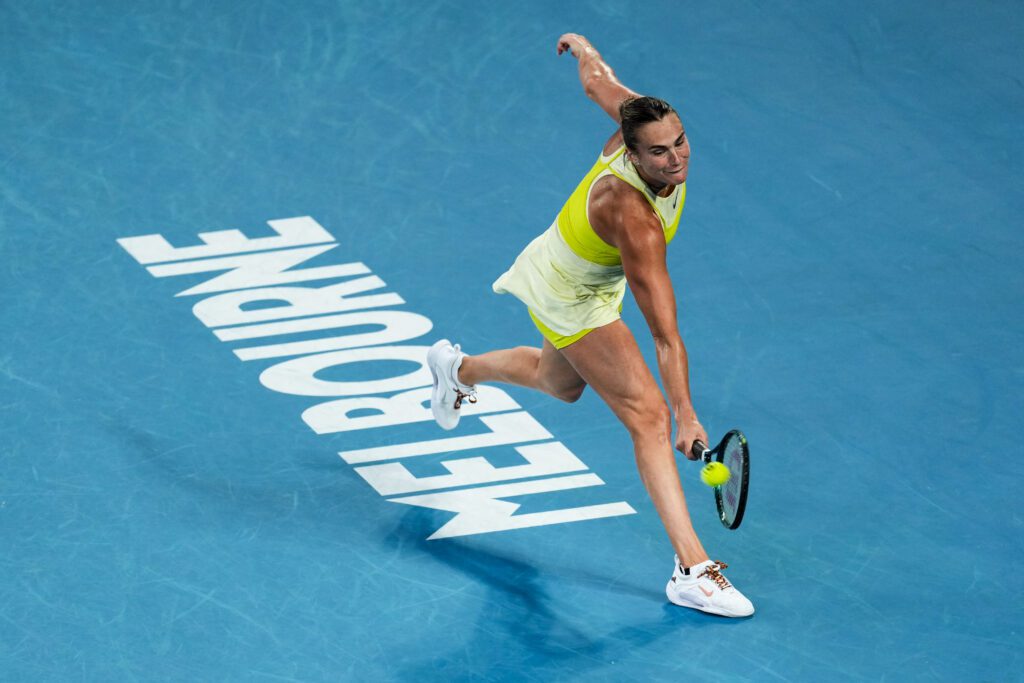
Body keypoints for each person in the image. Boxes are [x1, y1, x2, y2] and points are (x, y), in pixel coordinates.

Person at [427, 33, 754, 618]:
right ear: (631, 154)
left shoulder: (636, 121)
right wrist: (684, 413)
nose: (675, 158)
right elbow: (664, 335)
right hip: (572, 294)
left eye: (680, 142)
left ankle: (456, 369)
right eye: (658, 152)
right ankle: (692, 568)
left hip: (567, 264)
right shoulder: (635, 220)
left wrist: (582, 50)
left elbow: (599, 82)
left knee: (561, 383)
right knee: (647, 417)